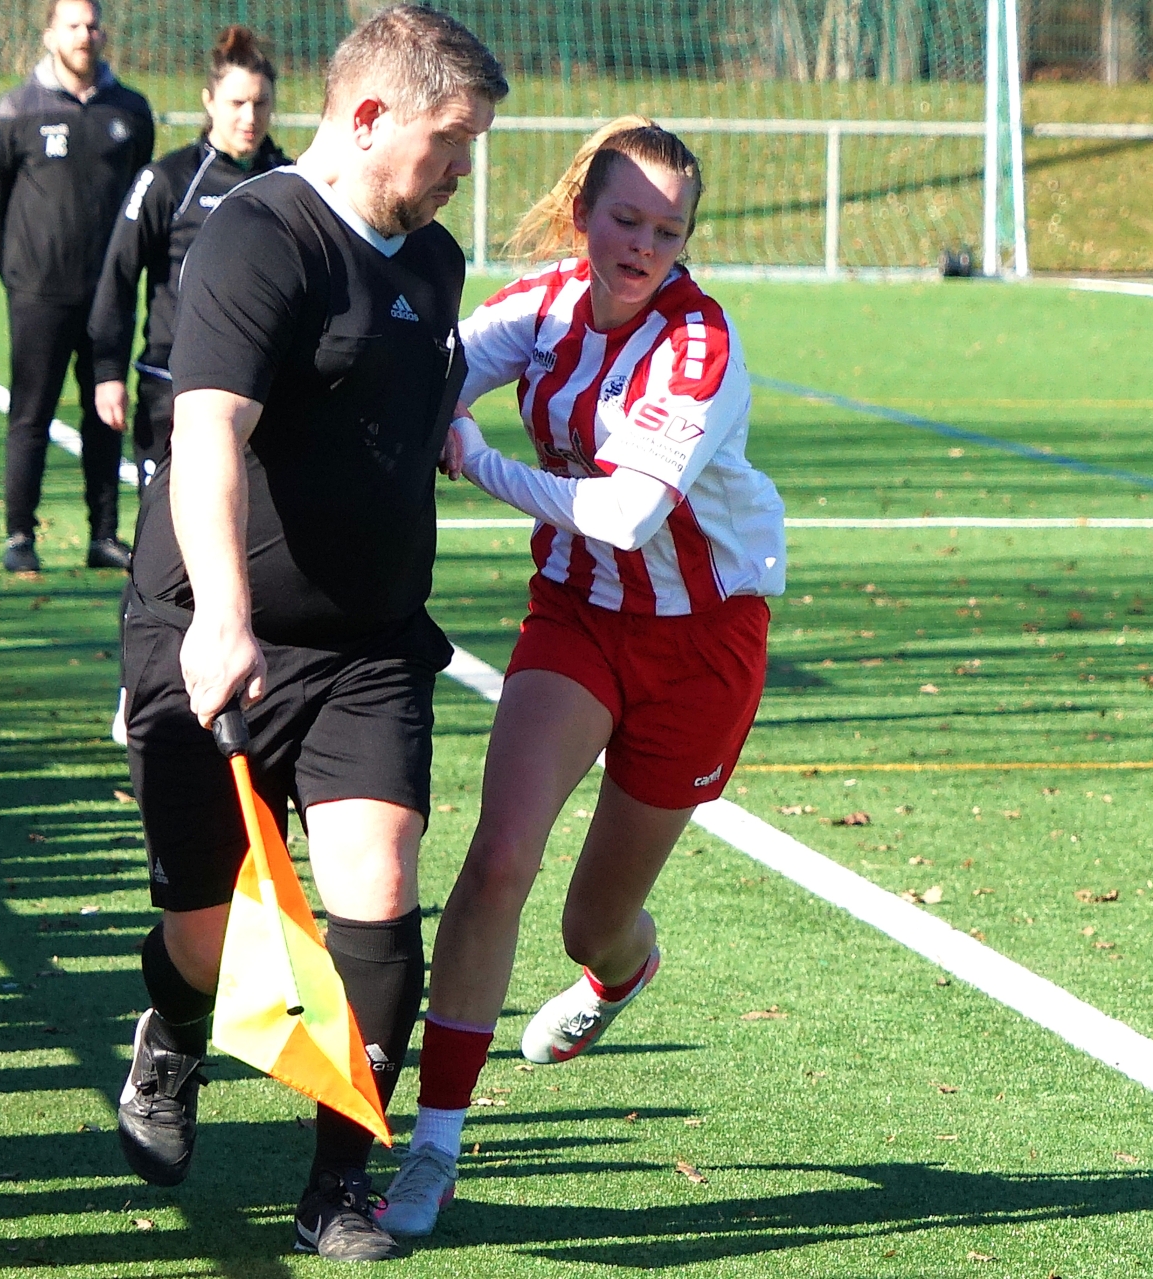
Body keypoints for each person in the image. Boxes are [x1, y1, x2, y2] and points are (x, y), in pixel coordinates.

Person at [111, 6, 505, 1262]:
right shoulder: (261, 234)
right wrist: (224, 616)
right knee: (207, 935)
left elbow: (399, 398)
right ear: (371, 114)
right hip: (211, 634)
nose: (462, 168)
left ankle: (338, 1183)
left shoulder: (433, 260)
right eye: (452, 140)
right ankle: (174, 1034)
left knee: (377, 896)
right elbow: (209, 433)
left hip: (368, 651)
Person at [377, 117, 787, 1238]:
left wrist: (478, 459)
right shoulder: (545, 306)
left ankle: (620, 972)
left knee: (591, 924)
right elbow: (423, 372)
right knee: (499, 854)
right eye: (626, 219)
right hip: (576, 618)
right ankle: (435, 1145)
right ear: (581, 215)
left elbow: (622, 514)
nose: (644, 245)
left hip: (702, 642)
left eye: (669, 230)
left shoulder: (698, 345)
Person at [0, 0, 152, 575]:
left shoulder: (130, 110)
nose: (85, 34)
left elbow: (141, 202)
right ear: (51, 34)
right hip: (39, 295)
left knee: (106, 414)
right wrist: (18, 275)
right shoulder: (15, 110)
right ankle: (19, 536)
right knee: (31, 414)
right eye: (73, 25)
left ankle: (103, 536)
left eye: (92, 25)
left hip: (109, 295)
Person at [90, 25, 290, 495]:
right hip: (172, 387)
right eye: (237, 103)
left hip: (263, 394)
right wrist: (108, 373)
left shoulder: (288, 182)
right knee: (164, 525)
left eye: (260, 103)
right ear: (209, 101)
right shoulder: (168, 180)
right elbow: (119, 275)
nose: (250, 116)